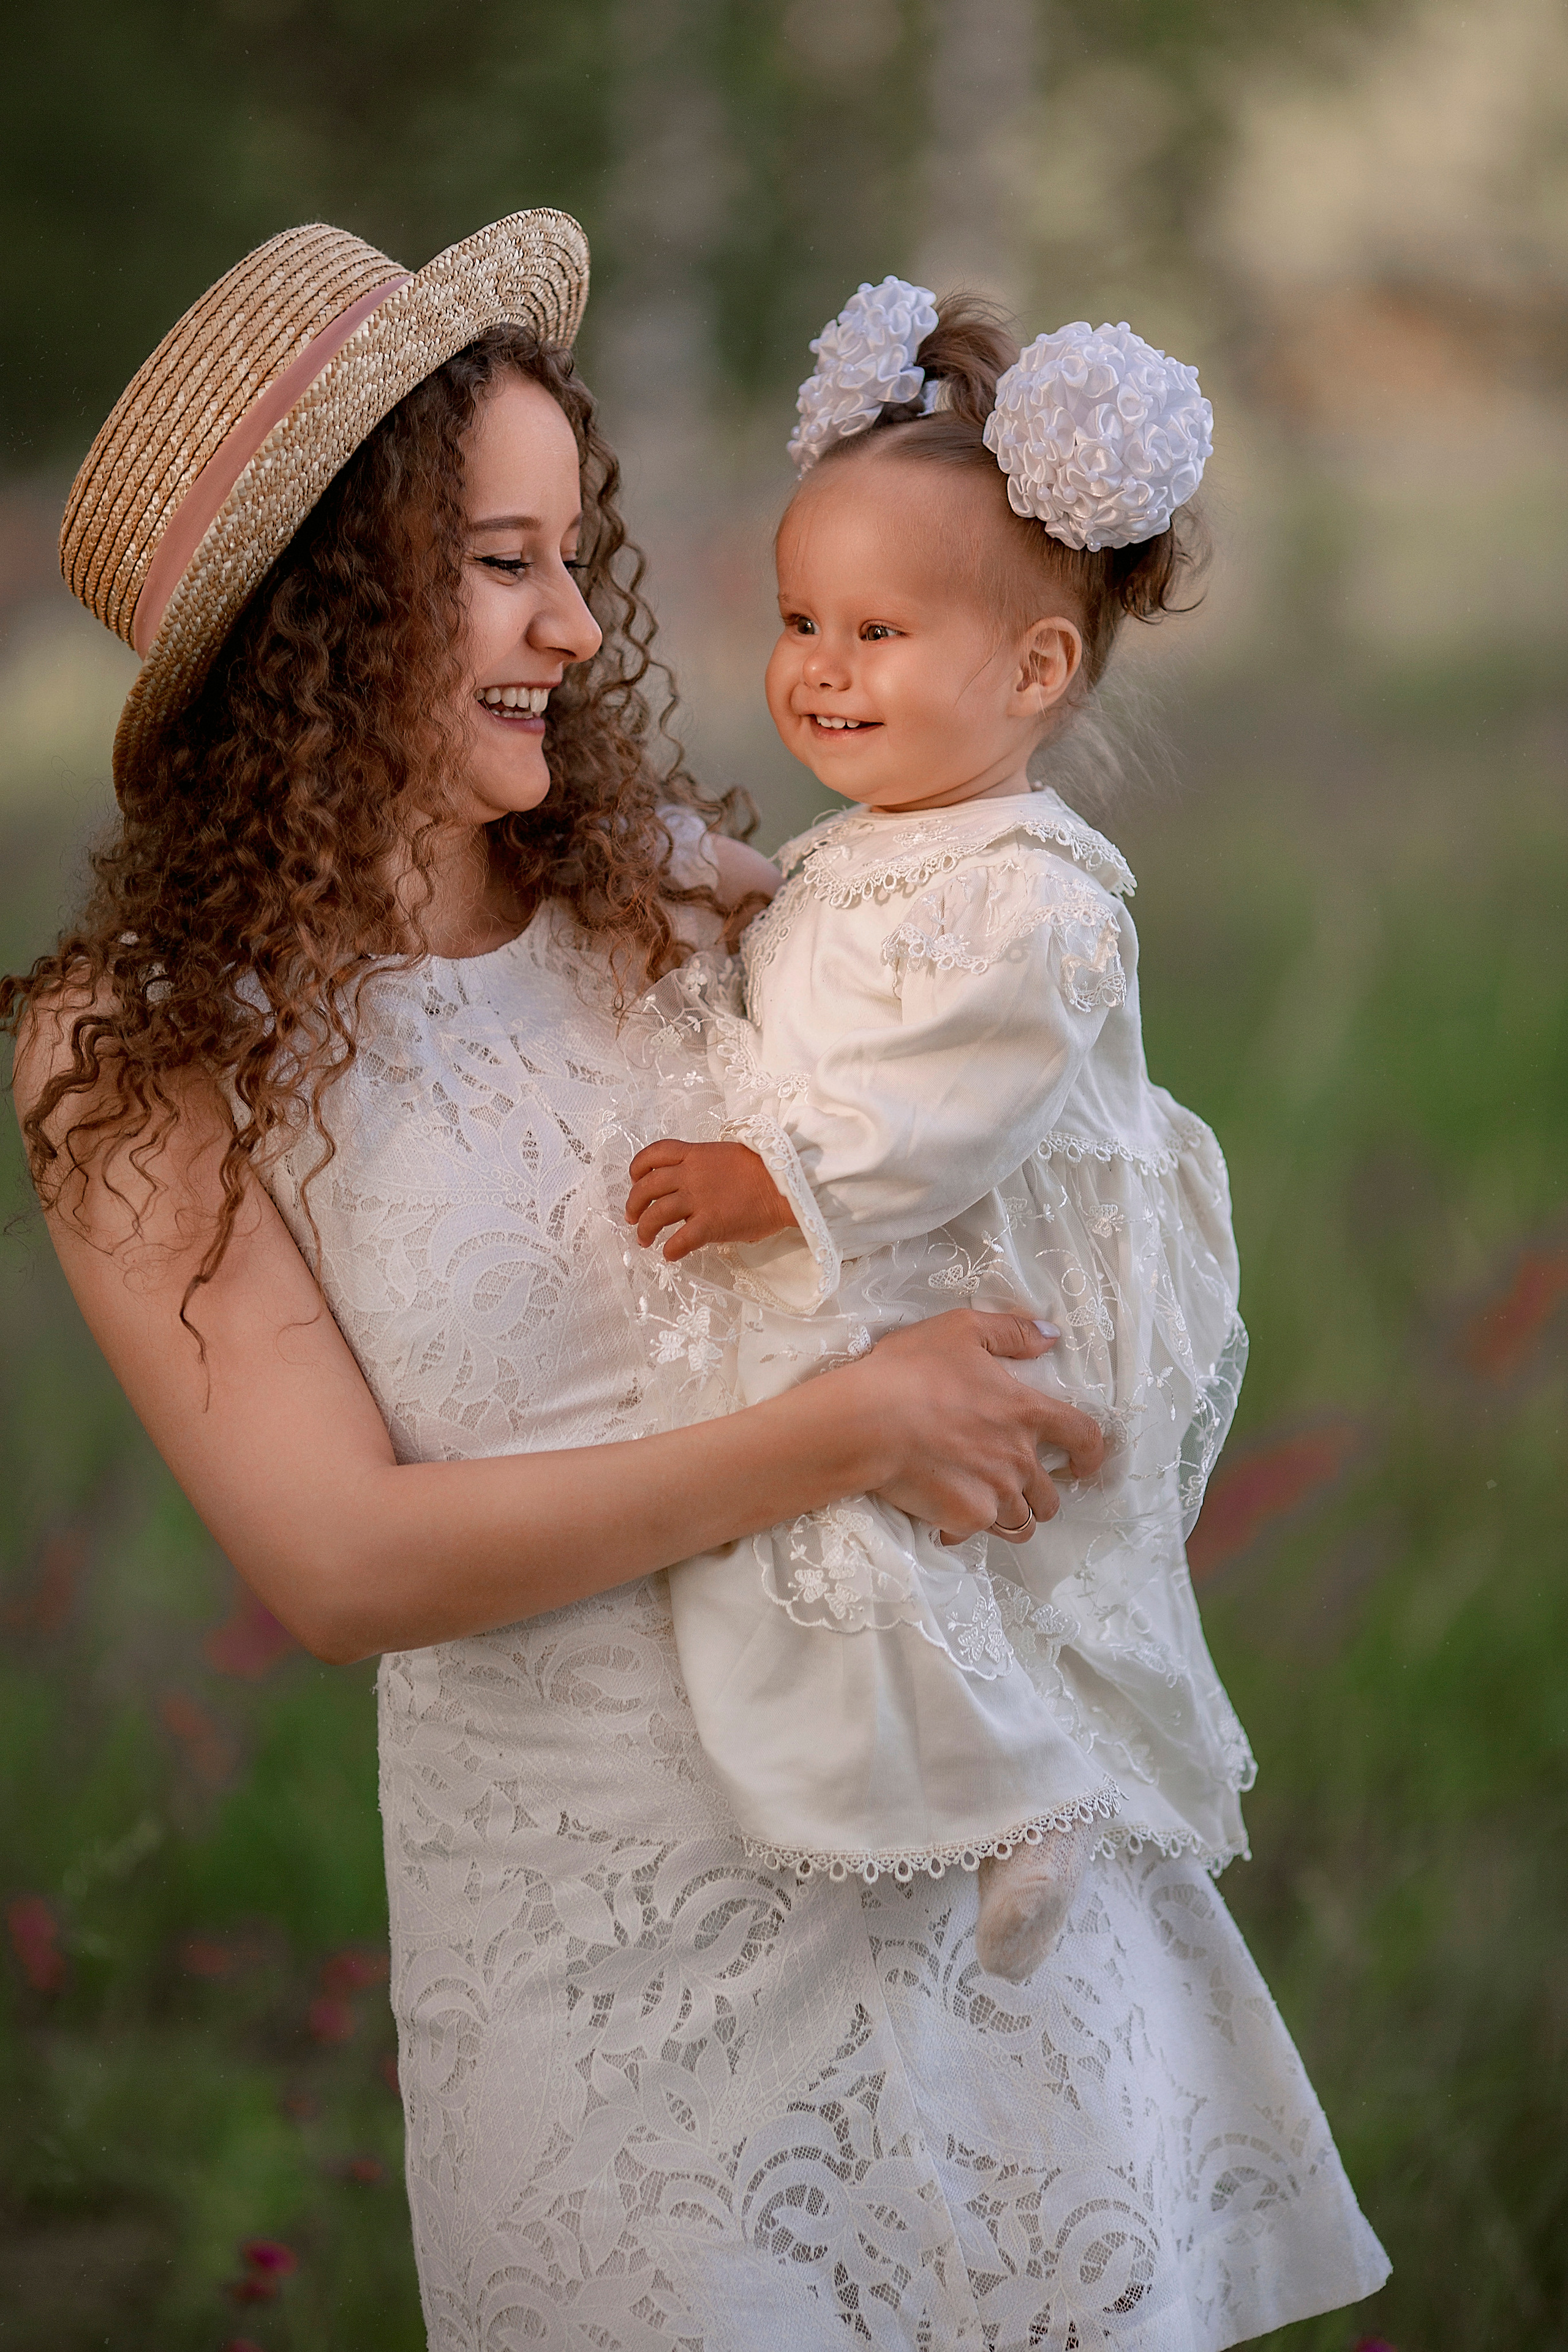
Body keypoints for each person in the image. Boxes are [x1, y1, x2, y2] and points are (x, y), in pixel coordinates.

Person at [3, 218, 1389, 2347]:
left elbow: (1003, 1066)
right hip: (602, 1959)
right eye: (498, 562)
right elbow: (344, 1559)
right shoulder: (139, 1041)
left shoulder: (657, 885)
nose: (575, 623)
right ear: (315, 608)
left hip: (958, 1861)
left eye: (576, 552)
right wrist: (853, 1422)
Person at [617, 284, 1253, 1986]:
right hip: (900, 1251)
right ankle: (938, 1781)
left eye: (877, 634)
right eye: (799, 619)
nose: (820, 668)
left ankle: (1030, 1782)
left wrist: (783, 1178)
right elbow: (822, 982)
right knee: (856, 1518)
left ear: (1036, 667)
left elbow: (951, 1089)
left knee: (914, 1528)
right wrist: (737, 904)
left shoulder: (1038, 897)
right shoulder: (881, 840)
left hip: (987, 1263)